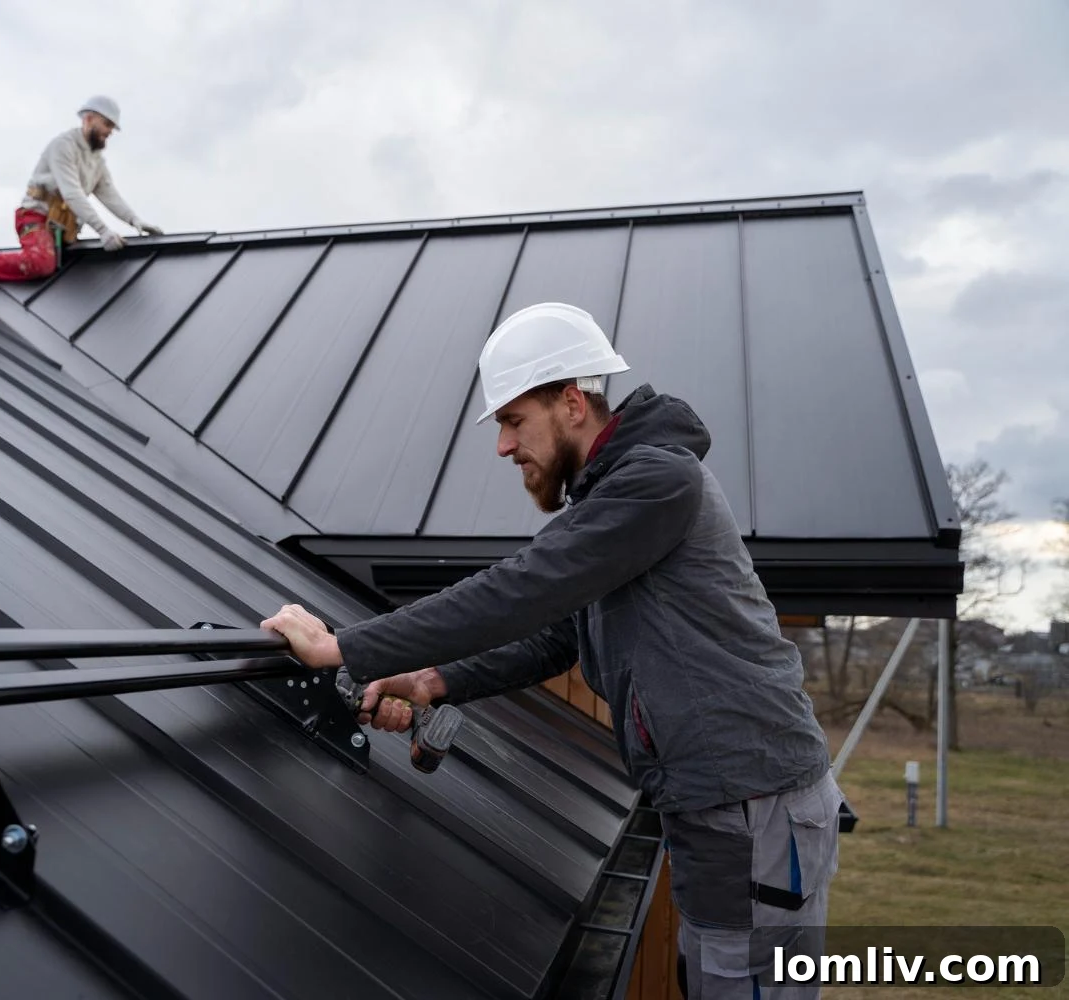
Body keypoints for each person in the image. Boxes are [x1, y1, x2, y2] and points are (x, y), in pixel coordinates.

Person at [262, 302, 843, 999]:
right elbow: (556, 634)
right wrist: (432, 680)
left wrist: (340, 647)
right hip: (722, 802)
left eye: (512, 420)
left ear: (572, 402)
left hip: (756, 803)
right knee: (715, 978)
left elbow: (525, 589)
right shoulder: (615, 499)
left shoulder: (657, 482)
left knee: (741, 986)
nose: (503, 447)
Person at [0, 94, 162, 291]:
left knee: (80, 264)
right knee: (41, 262)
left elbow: (109, 194)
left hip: (63, 229)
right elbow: (72, 193)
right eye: (107, 125)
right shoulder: (63, 146)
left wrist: (135, 221)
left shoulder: (96, 161)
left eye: (112, 127)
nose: (110, 132)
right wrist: (102, 230)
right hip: (36, 218)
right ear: (89, 119)